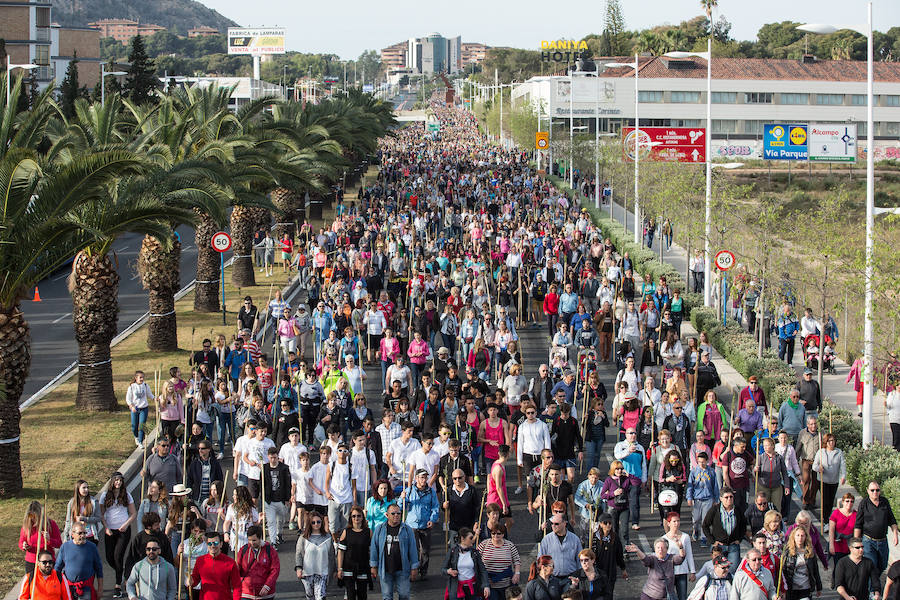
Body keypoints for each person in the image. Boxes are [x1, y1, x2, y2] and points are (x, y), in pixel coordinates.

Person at [368, 503, 419, 600]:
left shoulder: (407, 529)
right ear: (387, 515)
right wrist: (373, 566)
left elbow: (413, 549)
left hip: (402, 569)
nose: (396, 515)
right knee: (387, 596)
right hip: (385, 569)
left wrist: (414, 567)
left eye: (398, 513)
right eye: (393, 513)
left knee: (404, 595)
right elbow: (374, 548)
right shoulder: (379, 529)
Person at [99, 472, 136, 599]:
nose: (118, 482)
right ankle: (123, 572)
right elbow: (101, 514)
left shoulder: (127, 495)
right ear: (112, 482)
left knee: (117, 555)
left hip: (123, 530)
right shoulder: (105, 496)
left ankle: (117, 585)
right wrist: (106, 527)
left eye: (120, 480)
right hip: (110, 530)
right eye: (116, 480)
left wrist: (125, 525)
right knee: (110, 557)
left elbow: (133, 514)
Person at [854, 480, 899, 576]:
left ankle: (874, 583)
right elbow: (858, 524)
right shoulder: (864, 503)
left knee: (882, 566)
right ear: (868, 491)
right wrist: (856, 543)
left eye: (877, 490)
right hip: (868, 541)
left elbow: (892, 520)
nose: (875, 492)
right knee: (872, 565)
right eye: (872, 490)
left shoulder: (884, 502)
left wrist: (895, 534)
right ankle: (873, 590)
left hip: (882, 541)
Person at [400, 469, 439, 579]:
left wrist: (433, 519)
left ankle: (423, 571)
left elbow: (435, 507)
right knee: (413, 550)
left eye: (425, 477)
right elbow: (400, 506)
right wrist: (402, 499)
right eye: (421, 477)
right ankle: (413, 571)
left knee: (425, 550)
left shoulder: (431, 492)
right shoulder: (409, 491)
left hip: (425, 525)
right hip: (412, 525)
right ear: (416, 478)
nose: (424, 479)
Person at [702, 486, 748, 573]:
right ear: (721, 498)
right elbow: (705, 525)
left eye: (731, 497)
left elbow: (743, 525)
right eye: (726, 497)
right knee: (719, 571)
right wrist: (712, 541)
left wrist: (740, 539)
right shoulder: (715, 510)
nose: (729, 499)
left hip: (733, 546)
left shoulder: (737, 510)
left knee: (732, 571)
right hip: (719, 546)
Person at [54, 523, 103, 600]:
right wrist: (55, 586)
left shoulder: (92, 547)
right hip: (69, 588)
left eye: (84, 533)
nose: (83, 536)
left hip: (86, 587)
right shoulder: (65, 547)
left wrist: (100, 588)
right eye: (80, 533)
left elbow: (99, 568)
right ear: (72, 534)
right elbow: (57, 568)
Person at [122, 513, 174, 581]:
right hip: (143, 575)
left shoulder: (162, 537)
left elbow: (168, 557)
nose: (159, 526)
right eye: (156, 525)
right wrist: (128, 577)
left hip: (160, 574)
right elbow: (131, 558)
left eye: (158, 524)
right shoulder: (138, 538)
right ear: (149, 526)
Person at [612, 428, 646, 532]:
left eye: (634, 433)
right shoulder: (620, 445)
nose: (633, 435)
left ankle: (635, 522)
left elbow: (643, 464)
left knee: (634, 501)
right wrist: (628, 451)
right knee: (621, 499)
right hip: (623, 477)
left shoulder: (640, 448)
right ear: (626, 435)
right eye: (630, 433)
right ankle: (620, 519)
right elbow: (617, 455)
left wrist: (644, 479)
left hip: (635, 477)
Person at [442, 527, 490, 600]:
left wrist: (486, 585)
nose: (473, 539)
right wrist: (448, 571)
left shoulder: (475, 552)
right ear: (462, 539)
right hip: (457, 588)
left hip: (472, 588)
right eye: (470, 538)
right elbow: (443, 569)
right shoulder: (452, 552)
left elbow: (483, 570)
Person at [190, 530, 239, 600]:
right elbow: (195, 580)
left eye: (215, 543)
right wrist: (191, 581)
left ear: (221, 544)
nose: (212, 546)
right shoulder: (200, 561)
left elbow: (237, 586)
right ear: (206, 545)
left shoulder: (230, 562)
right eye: (209, 544)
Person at [477, 524, 521, 600]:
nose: (495, 535)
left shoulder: (510, 545)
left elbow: (517, 561)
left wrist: (517, 573)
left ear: (503, 534)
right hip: (489, 584)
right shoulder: (484, 544)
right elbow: (475, 559)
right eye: (493, 533)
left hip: (506, 584)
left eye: (498, 533)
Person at [779, 525, 822, 600]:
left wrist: (819, 587)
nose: (800, 538)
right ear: (793, 537)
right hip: (792, 588)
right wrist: (782, 588)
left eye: (802, 536)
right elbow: (784, 571)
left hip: (806, 587)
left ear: (806, 537)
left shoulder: (810, 552)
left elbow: (815, 570)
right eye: (797, 535)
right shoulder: (787, 552)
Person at [19, 501, 63, 576]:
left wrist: (50, 540)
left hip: (47, 562)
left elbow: (59, 544)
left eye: (35, 517)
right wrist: (24, 546)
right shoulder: (27, 526)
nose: (33, 519)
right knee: (33, 585)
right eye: (31, 516)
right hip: (32, 561)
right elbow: (21, 542)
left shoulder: (51, 524)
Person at [235, 525, 279, 600]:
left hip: (266, 593)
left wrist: (267, 585)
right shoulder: (244, 550)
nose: (251, 543)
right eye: (249, 540)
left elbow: (275, 570)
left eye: (254, 540)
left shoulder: (270, 551)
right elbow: (237, 568)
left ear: (260, 538)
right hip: (246, 593)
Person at [337, 506, 371, 600]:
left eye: (359, 516)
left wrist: (373, 567)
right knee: (350, 596)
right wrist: (340, 568)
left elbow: (371, 551)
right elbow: (341, 551)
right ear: (350, 518)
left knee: (362, 595)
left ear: (362, 517)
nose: (356, 518)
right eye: (354, 516)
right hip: (348, 568)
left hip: (363, 567)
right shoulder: (346, 532)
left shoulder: (368, 532)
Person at [538, 515, 582, 587]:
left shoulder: (575, 539)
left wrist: (578, 576)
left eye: (556, 524)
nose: (553, 526)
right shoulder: (546, 539)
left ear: (564, 523)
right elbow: (540, 560)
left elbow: (580, 560)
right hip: (552, 578)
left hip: (570, 578)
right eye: (552, 523)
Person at [686, 451, 718, 547]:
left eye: (703, 462)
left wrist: (716, 499)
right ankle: (695, 530)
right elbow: (690, 486)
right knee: (696, 519)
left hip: (708, 498)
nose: (701, 464)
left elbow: (715, 486)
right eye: (699, 462)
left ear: (707, 461)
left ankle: (704, 538)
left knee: (705, 520)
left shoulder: (711, 472)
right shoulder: (694, 472)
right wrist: (689, 497)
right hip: (697, 498)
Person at [813, 432, 846, 522]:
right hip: (823, 480)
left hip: (834, 480)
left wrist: (843, 476)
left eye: (833, 441)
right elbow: (814, 466)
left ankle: (827, 516)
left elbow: (843, 465)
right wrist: (819, 468)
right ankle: (825, 518)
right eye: (829, 441)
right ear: (825, 442)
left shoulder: (838, 452)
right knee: (825, 500)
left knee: (831, 501)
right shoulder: (821, 452)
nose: (831, 443)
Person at [662, 512, 696, 600]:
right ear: (668, 523)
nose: (676, 523)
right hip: (669, 573)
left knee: (682, 597)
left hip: (682, 572)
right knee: (670, 597)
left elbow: (689, 555)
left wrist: (692, 571)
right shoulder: (664, 539)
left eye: (678, 521)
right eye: (674, 521)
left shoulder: (685, 537)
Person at [445, 468, 480, 541]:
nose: (457, 480)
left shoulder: (472, 490)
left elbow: (477, 507)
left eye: (460, 478)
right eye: (455, 478)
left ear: (464, 477)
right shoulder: (449, 490)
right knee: (454, 549)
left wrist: (476, 522)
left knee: (468, 548)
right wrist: (444, 506)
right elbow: (445, 508)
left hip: (469, 526)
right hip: (454, 526)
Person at [795, 416, 821, 511]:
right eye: (811, 424)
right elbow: (798, 447)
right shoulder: (803, 433)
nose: (813, 426)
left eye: (815, 423)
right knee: (806, 480)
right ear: (807, 424)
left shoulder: (820, 434)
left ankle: (812, 500)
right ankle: (805, 501)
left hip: (817, 461)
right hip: (806, 460)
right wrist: (795, 459)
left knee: (815, 481)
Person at [829, 493, 856, 579]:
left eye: (851, 501)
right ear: (843, 502)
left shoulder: (856, 514)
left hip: (849, 544)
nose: (849, 503)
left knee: (849, 566)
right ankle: (836, 580)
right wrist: (831, 545)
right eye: (847, 501)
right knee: (838, 564)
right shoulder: (836, 513)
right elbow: (831, 530)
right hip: (838, 543)